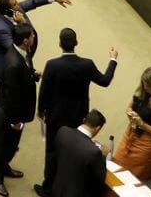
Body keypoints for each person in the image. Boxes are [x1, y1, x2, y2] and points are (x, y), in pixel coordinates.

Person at [35, 28, 118, 195]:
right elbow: (105, 80)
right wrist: (113, 59)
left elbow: (44, 91)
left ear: (59, 44)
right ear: (76, 43)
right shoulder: (86, 64)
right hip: (78, 118)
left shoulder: (52, 65)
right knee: (74, 151)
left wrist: (41, 111)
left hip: (55, 117)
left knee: (52, 152)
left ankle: (48, 188)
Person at [0, 24, 38, 194]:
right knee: (6, 146)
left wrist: (32, 74)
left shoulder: (21, 51)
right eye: (32, 36)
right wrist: (15, 121)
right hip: (10, 115)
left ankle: (3, 167)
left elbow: (24, 72)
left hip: (19, 110)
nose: (33, 38)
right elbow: (11, 96)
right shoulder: (14, 64)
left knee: (11, 145)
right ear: (25, 40)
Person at [0, 0, 71, 82]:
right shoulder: (0, 28)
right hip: (7, 71)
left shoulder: (16, 10)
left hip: (20, 62)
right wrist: (23, 23)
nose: (19, 6)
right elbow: (17, 50)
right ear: (7, 11)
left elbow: (33, 2)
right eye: (15, 4)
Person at [112, 67, 151, 181]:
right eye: (144, 83)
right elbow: (129, 107)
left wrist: (142, 124)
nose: (146, 87)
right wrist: (129, 112)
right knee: (117, 165)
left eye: (149, 85)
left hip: (145, 143)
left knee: (131, 177)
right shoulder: (140, 93)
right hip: (131, 134)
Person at [49, 110, 108, 197]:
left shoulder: (63, 131)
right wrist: (103, 155)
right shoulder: (94, 152)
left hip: (56, 188)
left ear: (84, 120)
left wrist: (89, 143)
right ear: (98, 128)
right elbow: (100, 178)